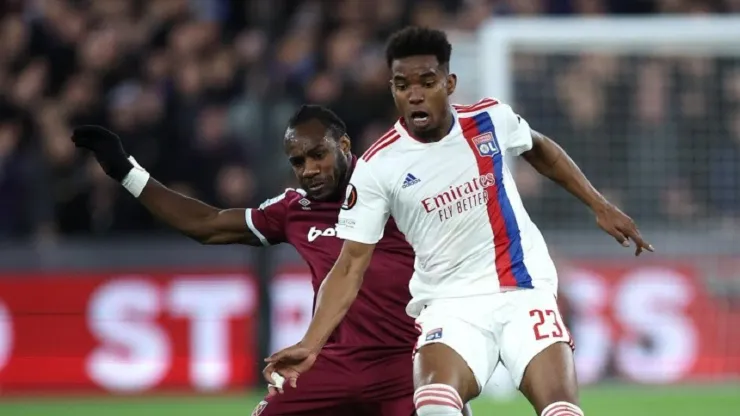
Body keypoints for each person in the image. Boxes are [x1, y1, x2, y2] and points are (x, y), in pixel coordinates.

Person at [265, 27, 654, 416]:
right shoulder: (377, 167)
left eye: (426, 82)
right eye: (402, 86)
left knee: (562, 411)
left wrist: (598, 204)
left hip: (523, 290)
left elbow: (540, 150)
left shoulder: (491, 120)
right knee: (435, 407)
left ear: (449, 83)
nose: (414, 94)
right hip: (450, 307)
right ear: (392, 89)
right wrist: (311, 343)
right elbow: (349, 264)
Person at [70, 105, 472, 416]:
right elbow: (207, 224)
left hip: (406, 364)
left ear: (344, 146)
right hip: (332, 365)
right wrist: (126, 171)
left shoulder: (397, 190)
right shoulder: (294, 209)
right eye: (298, 162)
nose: (309, 170)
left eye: (318, 155)